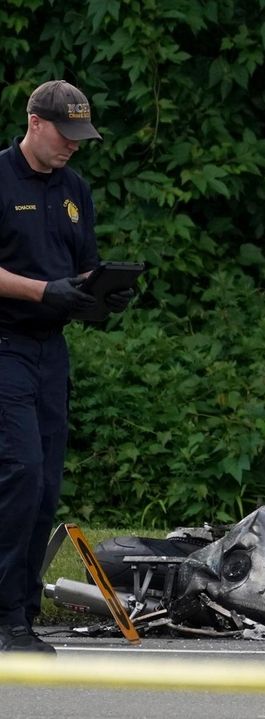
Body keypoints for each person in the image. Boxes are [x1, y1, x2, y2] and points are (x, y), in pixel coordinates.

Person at [0, 80, 134, 653]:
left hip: (50, 352)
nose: (74, 145)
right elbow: (38, 285)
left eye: (82, 136)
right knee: (21, 474)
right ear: (34, 122)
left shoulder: (74, 187)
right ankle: (4, 618)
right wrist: (41, 292)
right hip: (4, 344)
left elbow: (80, 272)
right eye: (65, 133)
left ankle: (21, 617)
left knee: (47, 484)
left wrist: (99, 295)